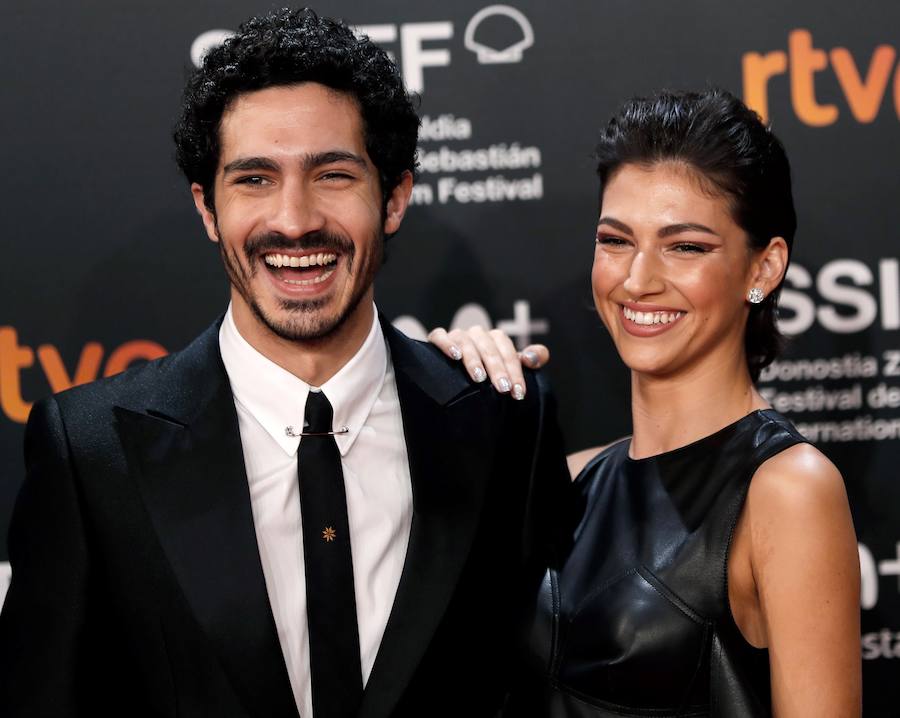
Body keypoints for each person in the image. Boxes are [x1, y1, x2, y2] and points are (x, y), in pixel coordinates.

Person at [0, 9, 569, 718]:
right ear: (208, 209)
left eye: (332, 174)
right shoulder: (91, 452)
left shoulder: (504, 421)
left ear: (393, 198)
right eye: (255, 180)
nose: (295, 220)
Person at [430, 89, 861, 716]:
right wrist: (440, 390)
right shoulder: (573, 479)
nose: (637, 279)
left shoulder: (788, 492)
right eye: (616, 240)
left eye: (685, 246)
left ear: (763, 269)